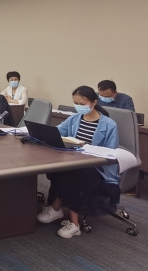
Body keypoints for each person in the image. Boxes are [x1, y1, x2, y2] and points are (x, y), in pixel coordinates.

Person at [37, 86, 119, 239]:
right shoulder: (74, 119)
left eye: (82, 103)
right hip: (74, 161)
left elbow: (110, 153)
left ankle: (74, 224)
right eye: (75, 103)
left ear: (94, 102)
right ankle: (56, 209)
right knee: (59, 170)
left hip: (96, 167)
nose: (78, 106)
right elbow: (56, 132)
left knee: (74, 175)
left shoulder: (109, 125)